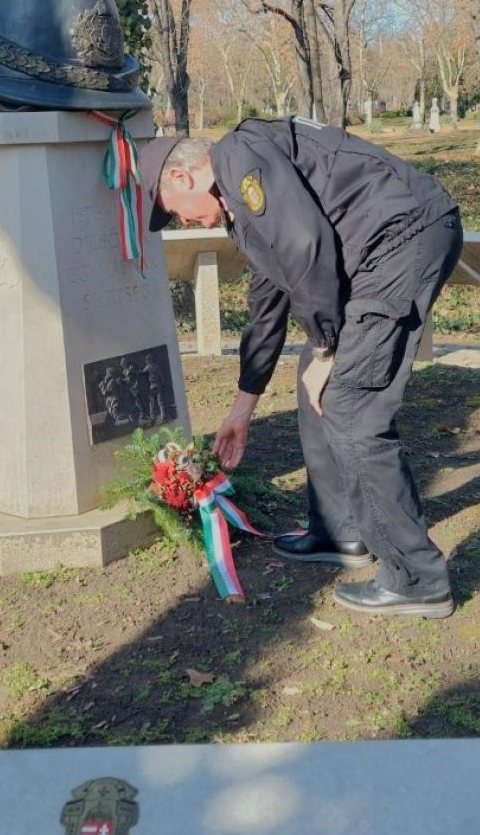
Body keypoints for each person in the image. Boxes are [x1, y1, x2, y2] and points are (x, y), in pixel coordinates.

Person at [140, 117, 463, 618]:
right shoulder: (243, 200)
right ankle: (340, 531)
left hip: (401, 240)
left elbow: (305, 245)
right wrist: (242, 408)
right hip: (381, 248)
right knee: (315, 383)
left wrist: (327, 348)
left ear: (182, 177)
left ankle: (416, 578)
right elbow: (269, 303)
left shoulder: (240, 157)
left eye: (173, 211)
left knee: (350, 404)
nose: (183, 221)